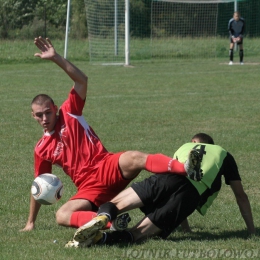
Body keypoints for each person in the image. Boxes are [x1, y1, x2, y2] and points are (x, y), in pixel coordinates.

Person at [21, 37, 202, 232]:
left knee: (134, 157)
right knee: (62, 215)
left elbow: (82, 80)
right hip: (88, 187)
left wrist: (56, 58)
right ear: (33, 116)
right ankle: (112, 222)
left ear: (55, 108)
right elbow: (38, 186)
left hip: (106, 165)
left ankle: (185, 168)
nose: (45, 118)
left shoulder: (69, 111)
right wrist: (30, 222)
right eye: (39, 115)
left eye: (48, 112)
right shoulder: (41, 149)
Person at [65, 133, 255, 248]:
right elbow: (241, 196)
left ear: (194, 141)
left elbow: (170, 174)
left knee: (117, 203)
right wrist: (251, 230)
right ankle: (103, 239)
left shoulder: (185, 147)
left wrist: (186, 228)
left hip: (165, 179)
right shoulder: (224, 154)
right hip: (189, 196)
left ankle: (104, 217)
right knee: (137, 234)